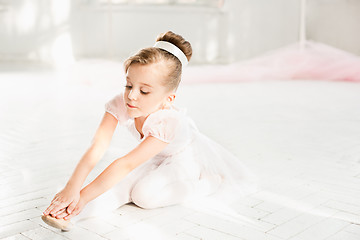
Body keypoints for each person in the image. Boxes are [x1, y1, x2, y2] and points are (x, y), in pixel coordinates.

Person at [41, 31, 257, 231]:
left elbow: (126, 163)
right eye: (128, 85)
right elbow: (98, 146)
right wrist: (72, 188)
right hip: (153, 156)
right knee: (121, 187)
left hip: (183, 161)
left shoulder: (169, 121)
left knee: (144, 196)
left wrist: (83, 195)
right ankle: (69, 215)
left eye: (144, 91)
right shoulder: (121, 103)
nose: (132, 96)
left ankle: (209, 182)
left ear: (167, 100)